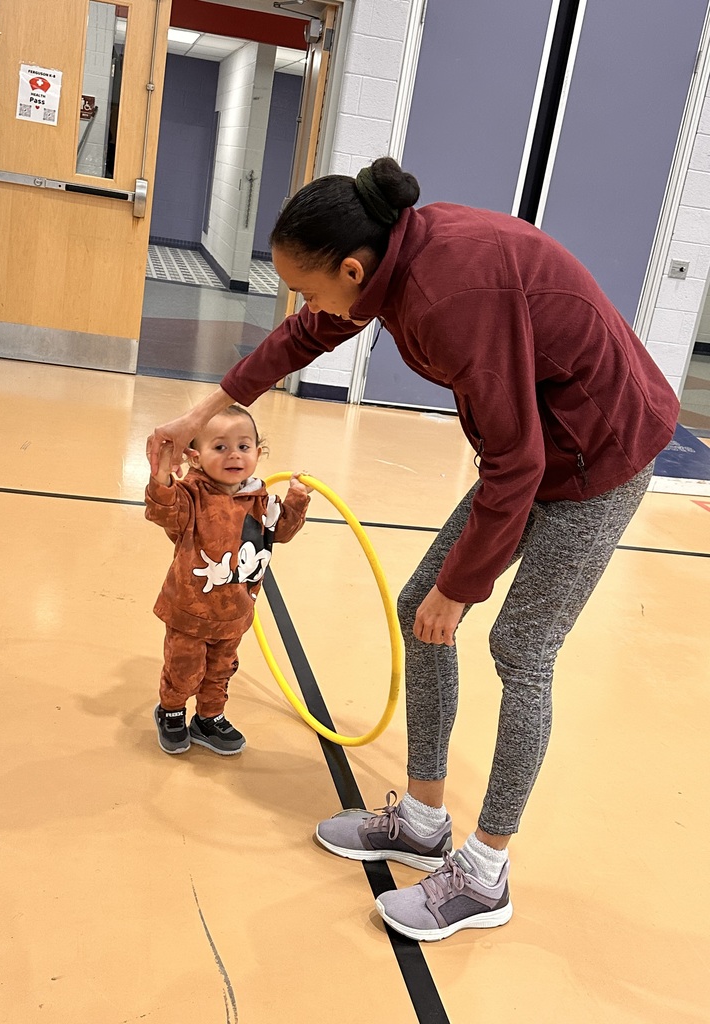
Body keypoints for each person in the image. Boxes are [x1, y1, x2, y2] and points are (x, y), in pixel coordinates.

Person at [146, 157, 678, 940]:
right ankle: (425, 822)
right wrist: (208, 410)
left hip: (602, 455)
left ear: (354, 268)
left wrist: (461, 587)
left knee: (520, 647)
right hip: (541, 447)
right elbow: (310, 332)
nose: (307, 302)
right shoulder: (396, 259)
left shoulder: (448, 293)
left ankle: (486, 874)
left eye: (311, 284)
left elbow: (518, 462)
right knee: (418, 611)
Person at [145, 405, 310, 756]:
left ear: (258, 452)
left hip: (235, 610)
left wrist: (297, 498)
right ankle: (171, 711)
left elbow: (280, 532)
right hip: (190, 611)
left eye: (244, 446)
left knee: (221, 669)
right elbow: (163, 509)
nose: (234, 454)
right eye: (219, 447)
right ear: (195, 457)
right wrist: (160, 473)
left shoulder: (261, 498)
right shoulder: (191, 495)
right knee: (184, 668)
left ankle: (209, 717)